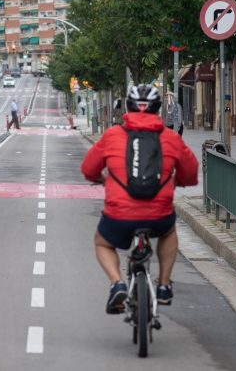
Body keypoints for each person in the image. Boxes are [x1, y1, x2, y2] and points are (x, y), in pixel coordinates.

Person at [81, 84, 198, 313]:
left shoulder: (113, 135)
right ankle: (164, 286)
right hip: (159, 214)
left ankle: (117, 284)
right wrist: (177, 181)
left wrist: (101, 179)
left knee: (102, 242)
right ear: (158, 109)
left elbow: (88, 168)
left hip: (119, 214)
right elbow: (191, 171)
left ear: (128, 107)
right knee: (168, 232)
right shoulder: (170, 138)